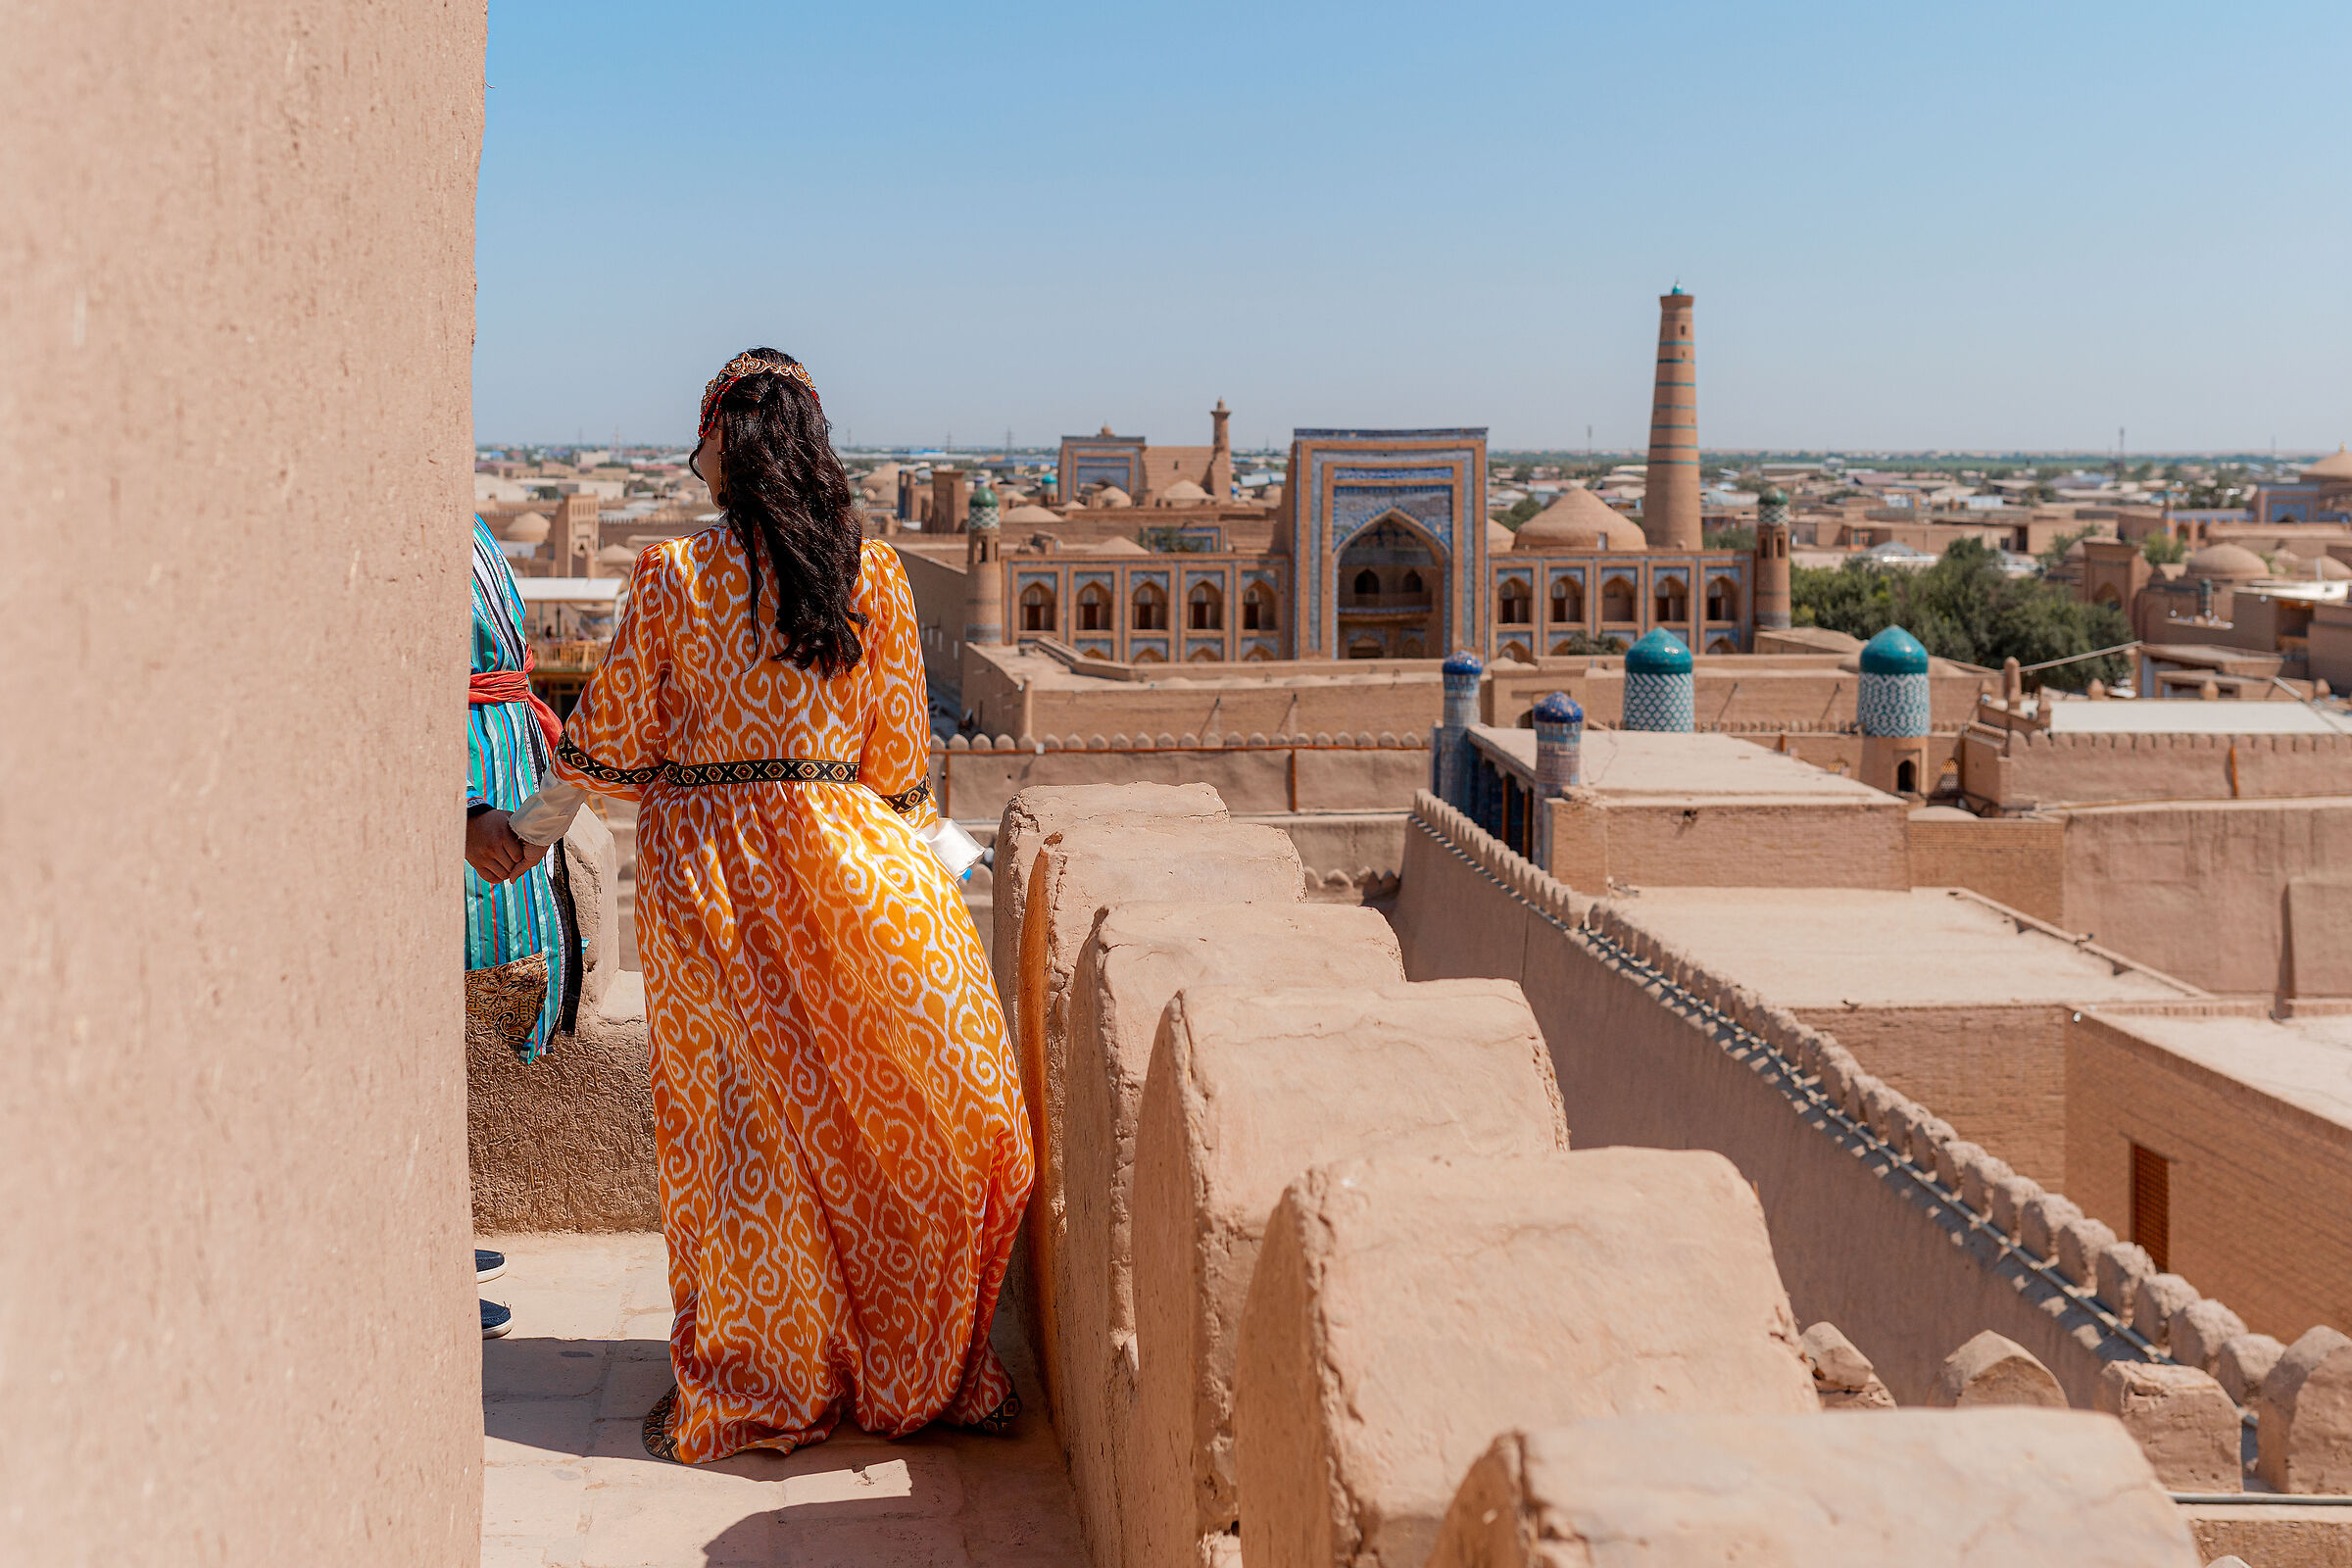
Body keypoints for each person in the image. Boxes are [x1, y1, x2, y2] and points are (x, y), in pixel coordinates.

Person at [509, 349, 1031, 1462]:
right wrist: (935, 858)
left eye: (698, 436)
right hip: (851, 875)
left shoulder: (667, 578)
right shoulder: (872, 576)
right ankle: (904, 1362)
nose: (689, 457)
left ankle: (770, 1372)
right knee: (901, 1117)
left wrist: (520, 837)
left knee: (748, 1141)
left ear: (725, 448)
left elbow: (604, 743)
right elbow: (897, 764)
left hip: (708, 888)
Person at [465, 514, 580, 1337]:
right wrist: (466, 814)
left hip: (495, 778)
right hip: (468, 798)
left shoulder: (461, 518)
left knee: (457, 1035)